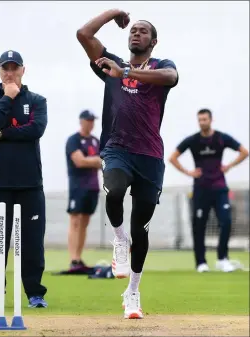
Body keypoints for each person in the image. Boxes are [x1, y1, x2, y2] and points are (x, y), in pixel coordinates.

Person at [77, 9, 178, 318]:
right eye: (133, 29)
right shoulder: (111, 65)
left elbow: (171, 78)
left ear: (153, 41)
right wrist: (113, 14)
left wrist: (129, 74)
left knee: (142, 229)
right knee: (115, 190)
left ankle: (132, 291)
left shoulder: (161, 67)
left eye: (143, 30)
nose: (136, 33)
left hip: (149, 156)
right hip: (117, 149)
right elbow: (84, 35)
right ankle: (119, 241)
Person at [0, 50, 48, 308]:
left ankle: (35, 294)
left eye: (14, 67)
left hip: (31, 184)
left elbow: (36, 130)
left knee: (32, 244)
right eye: (5, 68)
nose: (9, 72)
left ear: (22, 70)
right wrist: (7, 99)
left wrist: (3, 134)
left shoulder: (37, 100)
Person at [169, 108, 249, 273]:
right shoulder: (193, 140)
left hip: (220, 188)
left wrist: (229, 166)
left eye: (205, 119)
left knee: (226, 221)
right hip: (200, 190)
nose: (202, 122)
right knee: (199, 226)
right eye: (200, 120)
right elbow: (172, 157)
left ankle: (222, 259)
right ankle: (201, 262)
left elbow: (244, 152)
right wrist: (188, 172)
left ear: (211, 120)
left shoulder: (221, 138)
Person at [54, 110, 101, 275]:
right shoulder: (73, 140)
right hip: (78, 186)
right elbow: (79, 161)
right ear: (81, 121)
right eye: (88, 120)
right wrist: (95, 161)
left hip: (93, 186)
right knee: (75, 220)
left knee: (85, 222)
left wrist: (95, 161)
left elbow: (105, 161)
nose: (91, 123)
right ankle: (73, 259)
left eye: (92, 120)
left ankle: (79, 258)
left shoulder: (96, 141)